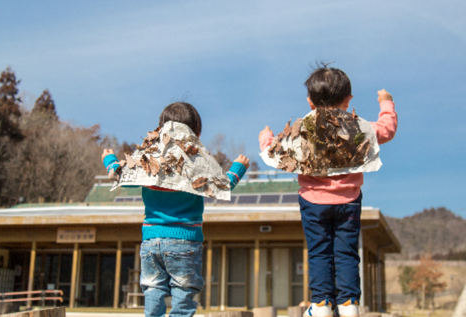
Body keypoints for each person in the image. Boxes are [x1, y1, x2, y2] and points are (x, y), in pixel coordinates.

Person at [258, 65, 397, 317]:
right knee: (346, 252)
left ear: (310, 102)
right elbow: (386, 130)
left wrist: (265, 137)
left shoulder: (304, 128)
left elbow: (275, 150)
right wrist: (386, 103)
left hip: (312, 203)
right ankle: (349, 303)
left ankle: (321, 304)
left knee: (320, 251)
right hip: (349, 201)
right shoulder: (357, 126)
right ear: (348, 100)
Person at [102, 102, 250, 317]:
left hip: (151, 239)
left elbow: (121, 175)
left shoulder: (150, 157)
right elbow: (221, 187)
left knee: (153, 287)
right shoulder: (196, 161)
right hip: (185, 239)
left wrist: (109, 160)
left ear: (160, 130)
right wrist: (238, 167)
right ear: (197, 133)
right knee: (184, 289)